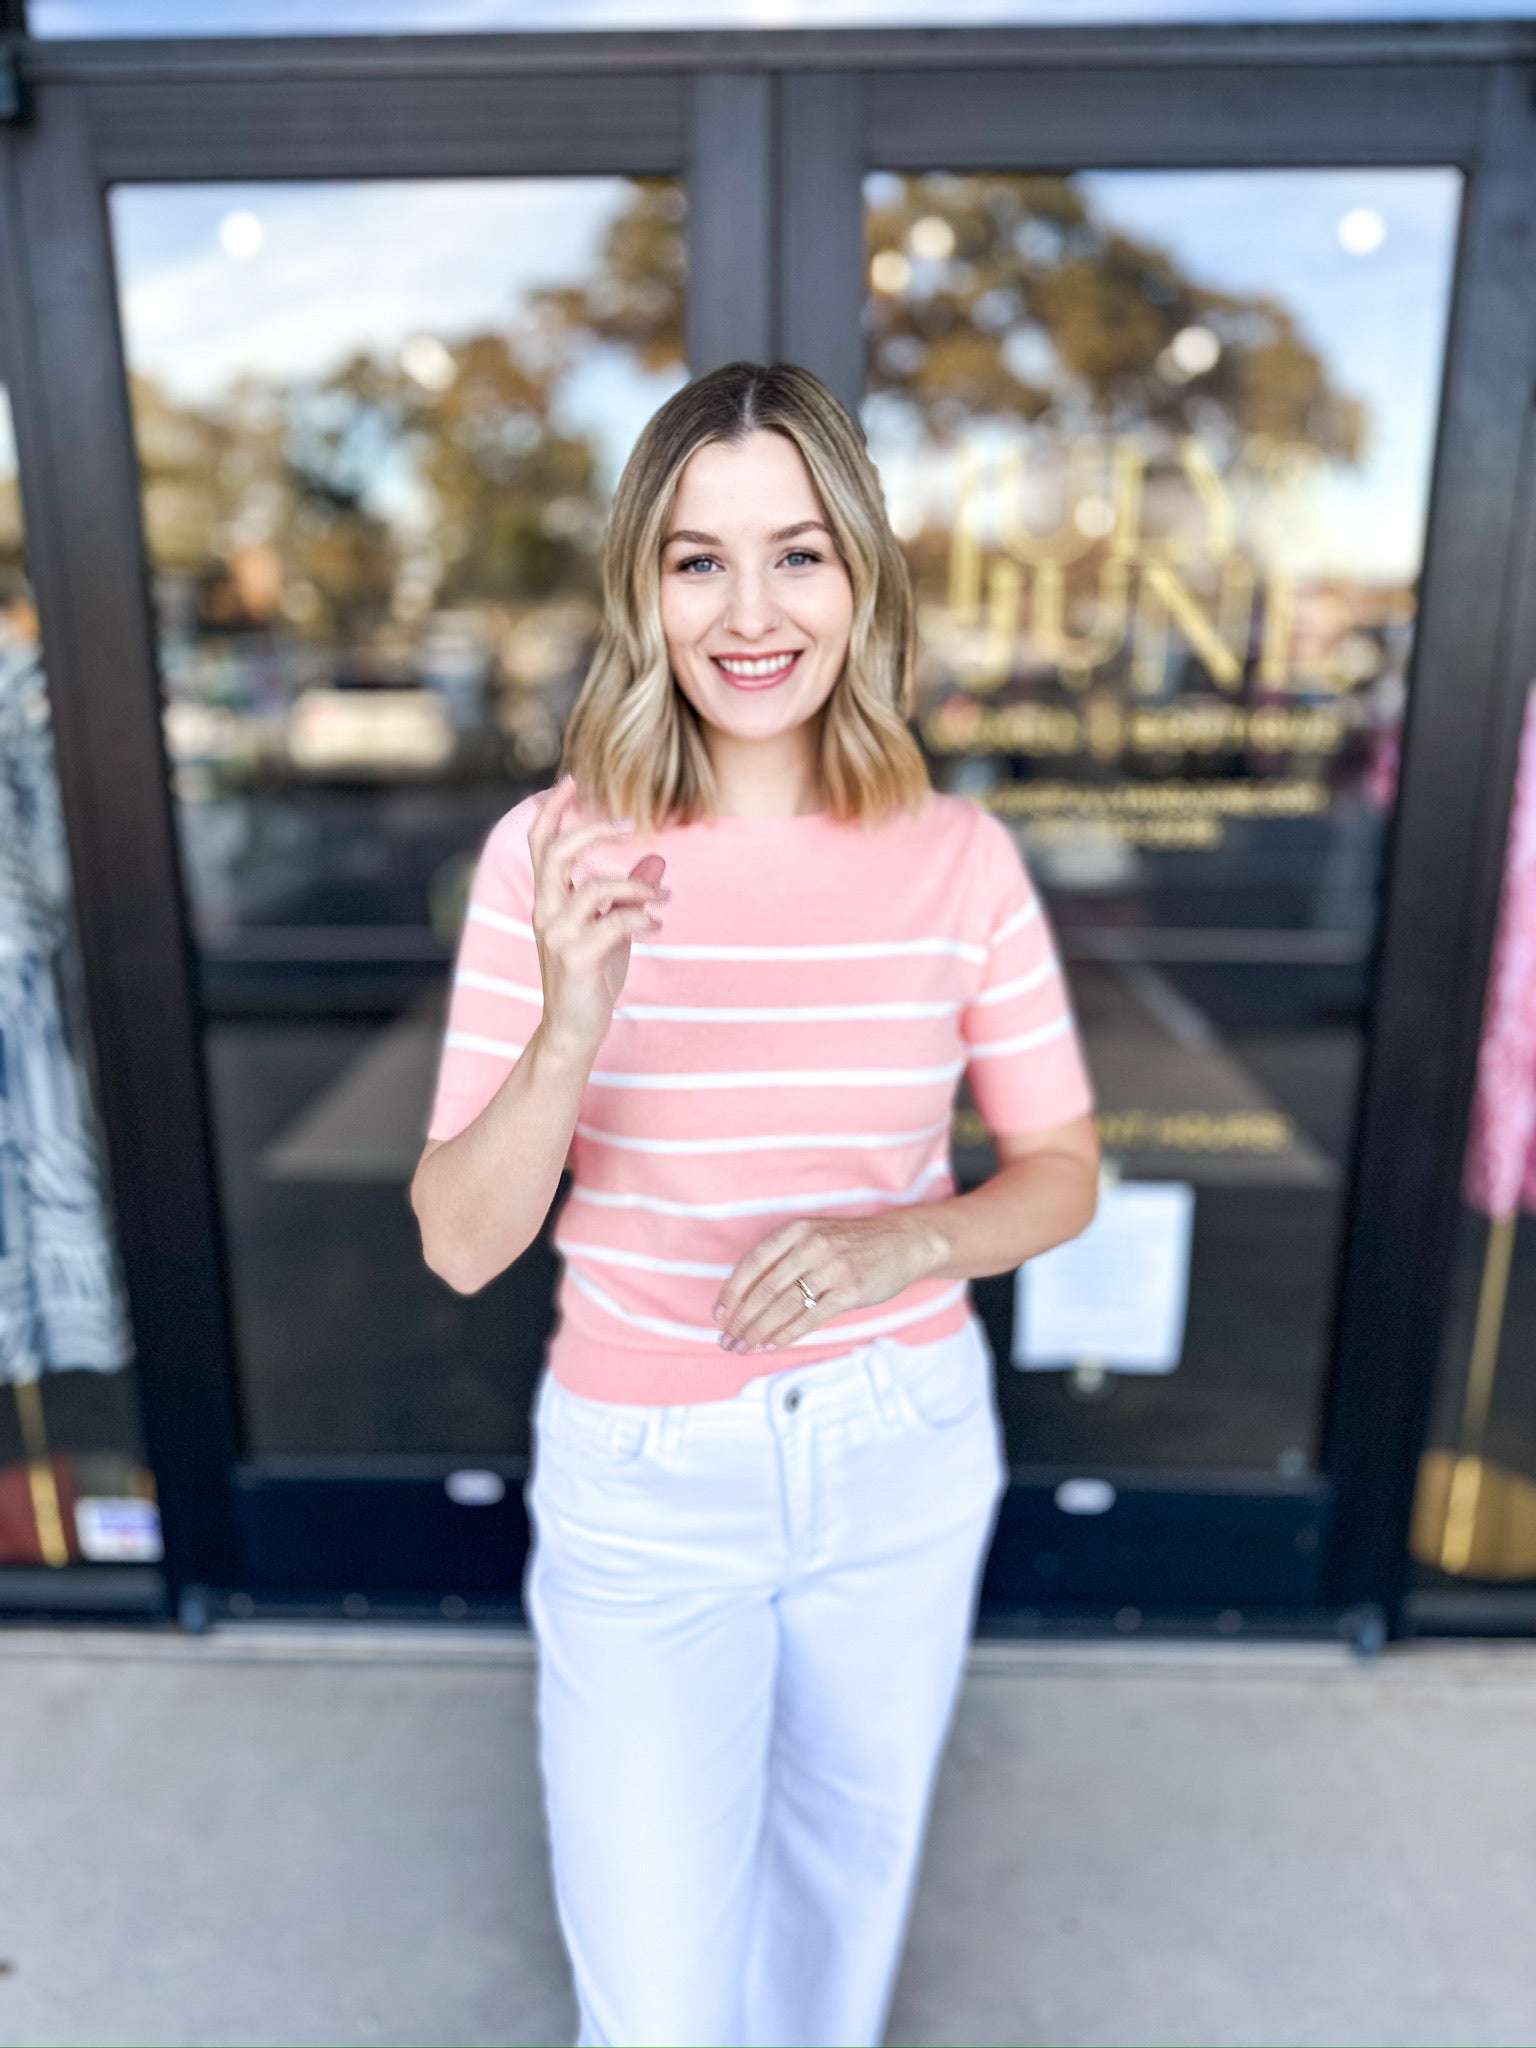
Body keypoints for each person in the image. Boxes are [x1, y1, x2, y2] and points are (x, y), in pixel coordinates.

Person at [410, 360, 1099, 2048]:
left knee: (831, 1944)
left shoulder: (959, 859)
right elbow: (459, 1239)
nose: (750, 610)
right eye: (697, 559)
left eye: (797, 553)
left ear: (861, 576)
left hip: (902, 1450)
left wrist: (905, 1238)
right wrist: (573, 1017)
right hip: (652, 1488)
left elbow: (1063, 1170)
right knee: (654, 1995)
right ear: (644, 588)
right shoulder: (552, 853)